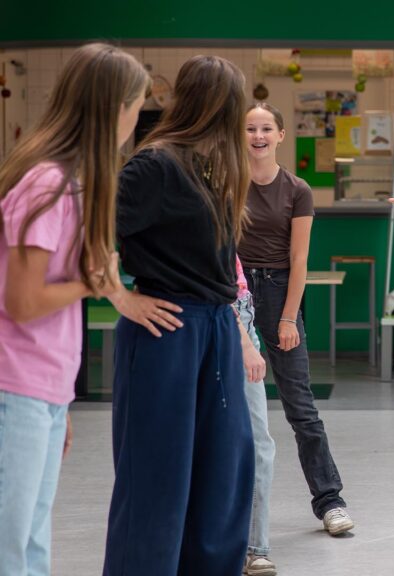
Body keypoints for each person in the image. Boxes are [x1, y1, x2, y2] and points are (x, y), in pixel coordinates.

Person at [0, 42, 153, 576]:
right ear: (115, 108)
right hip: (14, 388)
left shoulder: (72, 182)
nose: (136, 120)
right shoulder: (46, 184)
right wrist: (93, 283)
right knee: (12, 546)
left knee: (32, 538)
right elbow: (21, 302)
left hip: (40, 390)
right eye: (137, 106)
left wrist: (61, 403)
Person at [103, 55, 255, 576]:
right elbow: (85, 232)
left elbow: (217, 268)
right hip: (166, 330)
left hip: (214, 327)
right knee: (157, 479)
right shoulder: (155, 165)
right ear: (219, 108)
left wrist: (237, 330)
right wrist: (121, 297)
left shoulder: (212, 167)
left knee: (224, 474)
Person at [238, 102, 354, 536]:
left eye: (266, 127)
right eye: (250, 128)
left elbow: (299, 257)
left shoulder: (297, 189)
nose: (258, 135)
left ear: (281, 135)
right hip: (235, 293)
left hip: (279, 292)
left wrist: (288, 318)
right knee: (229, 407)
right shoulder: (229, 183)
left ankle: (330, 501)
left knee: (301, 408)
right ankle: (228, 510)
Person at [232, 256, 277, 575]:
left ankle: (256, 547)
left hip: (241, 315)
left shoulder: (228, 211)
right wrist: (246, 344)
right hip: (224, 324)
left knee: (259, 444)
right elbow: (213, 287)